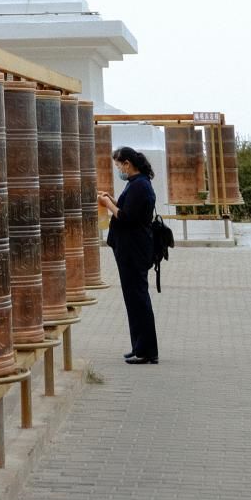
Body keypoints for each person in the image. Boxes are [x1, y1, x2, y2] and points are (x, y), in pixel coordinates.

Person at [98, 145, 159, 365]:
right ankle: (139, 346)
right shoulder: (135, 184)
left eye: (118, 165)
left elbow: (126, 217)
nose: (118, 169)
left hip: (134, 251)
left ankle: (147, 350)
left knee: (138, 299)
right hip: (130, 249)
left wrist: (108, 205)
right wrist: (112, 200)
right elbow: (127, 209)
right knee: (133, 300)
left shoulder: (140, 185)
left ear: (127, 164)